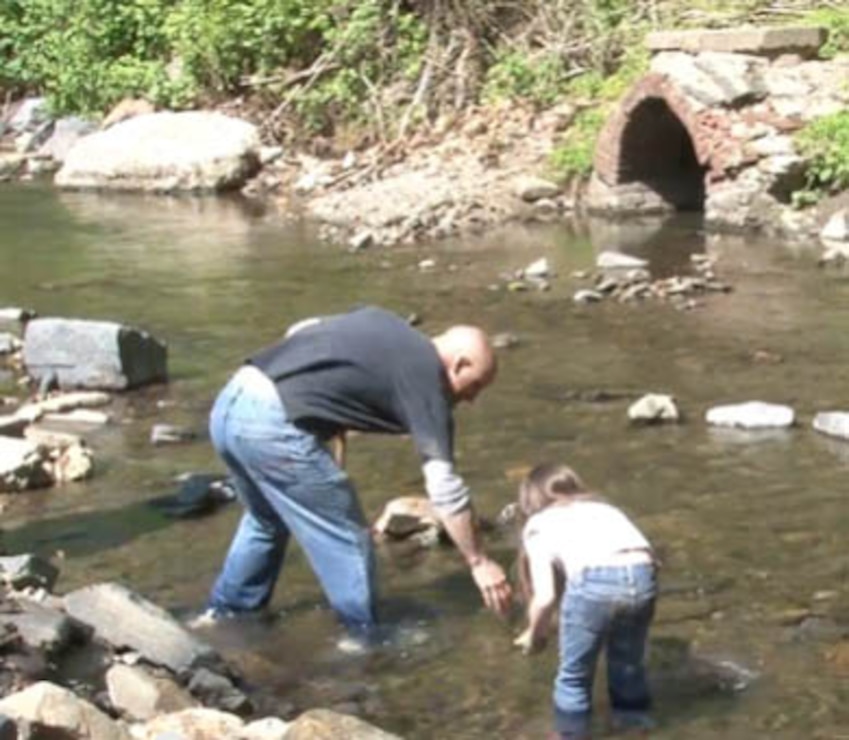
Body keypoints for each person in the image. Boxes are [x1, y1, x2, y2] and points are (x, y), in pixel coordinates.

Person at [199, 305, 511, 640]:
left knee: (266, 521)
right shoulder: (427, 379)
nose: (472, 399)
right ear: (459, 363)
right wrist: (479, 562)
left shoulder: (386, 323)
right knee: (347, 536)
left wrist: (328, 410)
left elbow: (304, 326)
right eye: (475, 385)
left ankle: (225, 617)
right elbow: (445, 488)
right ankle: (364, 639)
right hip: (271, 427)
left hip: (232, 402)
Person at [512, 463, 657, 739]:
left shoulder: (539, 523)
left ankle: (571, 734)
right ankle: (635, 729)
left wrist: (534, 633)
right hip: (643, 574)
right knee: (628, 666)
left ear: (531, 500)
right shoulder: (606, 510)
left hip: (594, 580)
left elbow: (545, 597)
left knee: (573, 678)